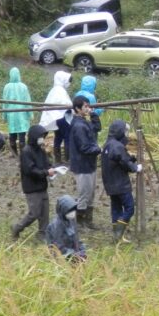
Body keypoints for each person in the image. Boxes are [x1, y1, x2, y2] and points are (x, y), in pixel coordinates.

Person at [11, 124, 56, 242]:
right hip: (32, 187)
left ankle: (42, 233)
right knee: (34, 213)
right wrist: (47, 172)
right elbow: (30, 170)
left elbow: (46, 163)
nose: (42, 139)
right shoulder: (26, 151)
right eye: (40, 136)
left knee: (45, 212)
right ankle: (17, 227)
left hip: (42, 185)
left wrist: (52, 169)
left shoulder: (40, 150)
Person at [101, 119, 143, 242]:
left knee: (116, 208)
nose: (126, 134)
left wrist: (132, 159)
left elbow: (120, 159)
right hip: (120, 184)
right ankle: (119, 233)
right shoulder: (117, 146)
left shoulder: (108, 144)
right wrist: (135, 167)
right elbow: (124, 161)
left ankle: (117, 236)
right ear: (119, 131)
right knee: (129, 208)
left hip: (110, 184)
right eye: (124, 131)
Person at [68, 95, 103, 228]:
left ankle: (88, 221)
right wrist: (99, 149)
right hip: (82, 164)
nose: (88, 108)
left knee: (91, 192)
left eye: (89, 106)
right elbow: (84, 147)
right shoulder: (78, 126)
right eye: (85, 106)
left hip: (89, 163)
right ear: (77, 109)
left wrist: (93, 114)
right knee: (84, 194)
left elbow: (97, 128)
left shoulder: (84, 122)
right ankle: (80, 222)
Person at [40, 70, 73, 163]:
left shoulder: (54, 90)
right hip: (63, 118)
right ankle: (68, 159)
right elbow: (66, 104)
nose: (68, 83)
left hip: (56, 118)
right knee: (67, 138)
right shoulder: (60, 91)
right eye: (67, 80)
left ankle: (58, 159)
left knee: (58, 137)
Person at [45, 194, 86, 261]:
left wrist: (82, 250)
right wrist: (74, 255)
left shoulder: (71, 220)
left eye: (74, 210)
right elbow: (58, 247)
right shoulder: (56, 225)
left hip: (71, 253)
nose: (73, 212)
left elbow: (76, 239)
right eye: (70, 210)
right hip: (59, 256)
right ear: (63, 210)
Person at [2, 66, 31, 155]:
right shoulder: (23, 87)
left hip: (12, 115)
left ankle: (14, 153)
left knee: (12, 134)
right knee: (22, 135)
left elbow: (4, 102)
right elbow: (27, 101)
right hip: (21, 114)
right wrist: (30, 113)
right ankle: (23, 154)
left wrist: (4, 115)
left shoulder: (7, 87)